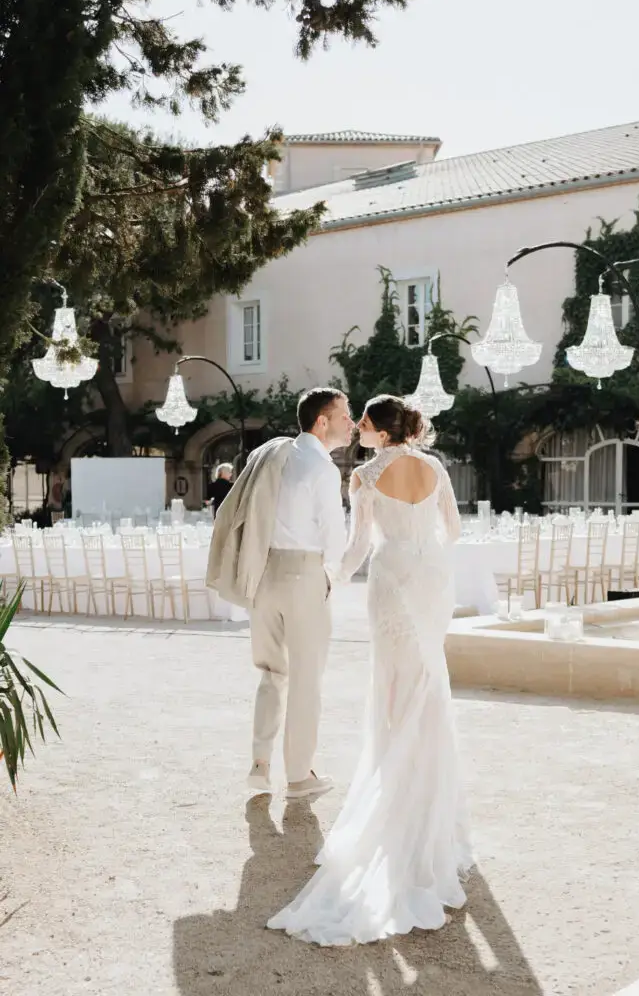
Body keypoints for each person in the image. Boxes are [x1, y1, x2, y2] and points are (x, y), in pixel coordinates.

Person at [267, 394, 473, 946]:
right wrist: (420, 547)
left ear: (381, 431)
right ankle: (429, 802)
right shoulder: (433, 467)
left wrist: (330, 579)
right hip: (430, 581)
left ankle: (394, 788)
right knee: (429, 684)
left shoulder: (363, 477)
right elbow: (452, 531)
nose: (356, 427)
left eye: (362, 421)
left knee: (392, 686)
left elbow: (358, 545)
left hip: (390, 581)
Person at [205, 388, 354, 800]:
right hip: (303, 574)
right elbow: (334, 536)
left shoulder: (273, 455)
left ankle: (259, 764)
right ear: (321, 421)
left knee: (272, 673)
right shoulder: (321, 468)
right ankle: (299, 777)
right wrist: (334, 573)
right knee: (307, 679)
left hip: (263, 574)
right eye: (344, 415)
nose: (351, 423)